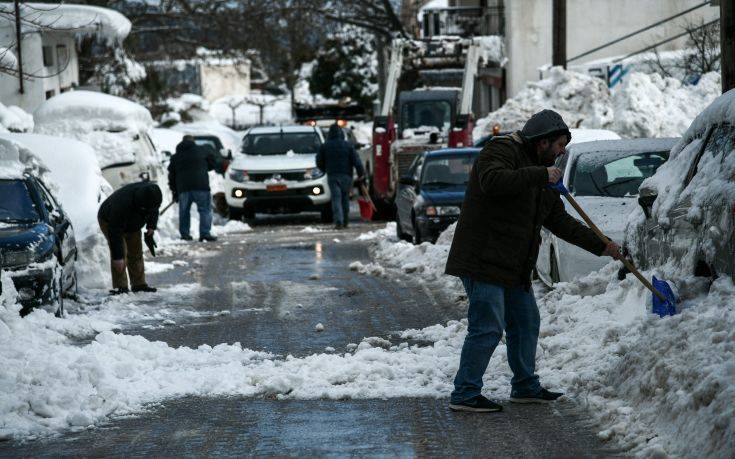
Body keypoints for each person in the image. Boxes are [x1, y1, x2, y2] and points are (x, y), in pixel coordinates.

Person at [445, 109, 623, 413]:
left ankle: (525, 386)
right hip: (483, 258)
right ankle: (464, 392)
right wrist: (541, 176)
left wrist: (601, 245)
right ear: (542, 142)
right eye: (559, 145)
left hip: (513, 264)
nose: (561, 152)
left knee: (526, 322)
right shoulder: (501, 150)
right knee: (487, 327)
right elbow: (491, 181)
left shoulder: (544, 175)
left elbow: (560, 222)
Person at [98, 182, 163, 295]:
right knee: (120, 252)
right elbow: (115, 233)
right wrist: (118, 257)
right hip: (109, 220)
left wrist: (151, 227)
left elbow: (154, 210)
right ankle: (120, 287)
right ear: (140, 204)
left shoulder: (152, 196)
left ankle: (139, 284)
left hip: (133, 223)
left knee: (136, 251)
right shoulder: (122, 204)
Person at [168, 135, 217, 242]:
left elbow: (171, 176)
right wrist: (204, 167)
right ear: (193, 142)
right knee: (205, 210)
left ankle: (185, 234)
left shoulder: (176, 156)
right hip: (201, 186)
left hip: (183, 188)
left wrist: (175, 191)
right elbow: (213, 164)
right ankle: (205, 234)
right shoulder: (202, 150)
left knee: (184, 212)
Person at [316, 123, 366, 229]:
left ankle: (338, 220)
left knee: (336, 198)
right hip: (346, 176)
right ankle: (346, 221)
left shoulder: (325, 146)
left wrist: (325, 170)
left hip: (333, 175)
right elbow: (356, 161)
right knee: (345, 198)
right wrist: (361, 174)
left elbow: (319, 161)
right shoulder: (348, 145)